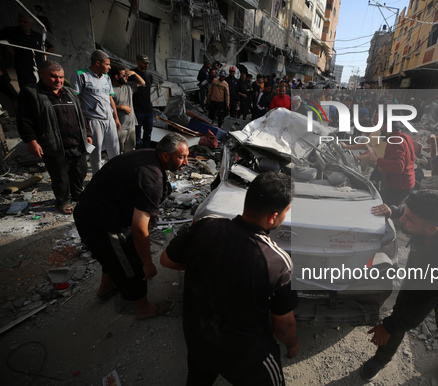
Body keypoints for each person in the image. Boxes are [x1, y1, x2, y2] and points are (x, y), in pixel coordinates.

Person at [160, 171, 299, 385]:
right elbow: (284, 326)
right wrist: (292, 344)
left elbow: (166, 261)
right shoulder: (277, 262)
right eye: (286, 211)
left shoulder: (205, 226)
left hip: (198, 339)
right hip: (246, 356)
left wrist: (205, 265)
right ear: (273, 217)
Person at [362, 190, 438, 385]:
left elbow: (418, 307)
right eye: (405, 214)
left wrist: (388, 326)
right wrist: (394, 210)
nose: (402, 220)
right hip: (424, 268)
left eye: (408, 219)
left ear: (431, 229)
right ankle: (381, 359)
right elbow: (413, 214)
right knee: (400, 307)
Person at [74, 133, 188, 320]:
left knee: (111, 256)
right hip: (100, 222)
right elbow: (138, 229)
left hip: (89, 211)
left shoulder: (150, 155)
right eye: (181, 157)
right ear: (166, 156)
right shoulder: (152, 178)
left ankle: (106, 287)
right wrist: (147, 263)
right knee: (130, 263)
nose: (187, 162)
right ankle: (143, 308)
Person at [17, 60, 91, 214]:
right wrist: (31, 141)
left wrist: (88, 134)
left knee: (79, 172)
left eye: (61, 77)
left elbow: (81, 115)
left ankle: (78, 195)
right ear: (42, 74)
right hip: (55, 144)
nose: (59, 80)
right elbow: (24, 119)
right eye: (54, 77)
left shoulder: (69, 92)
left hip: (77, 143)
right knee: (60, 176)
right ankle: (63, 201)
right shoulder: (32, 93)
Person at [71, 49, 121, 174]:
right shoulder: (81, 75)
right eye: (107, 64)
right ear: (98, 63)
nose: (109, 67)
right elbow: (75, 99)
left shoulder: (106, 78)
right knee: (96, 152)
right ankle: (97, 177)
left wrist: (116, 118)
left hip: (109, 119)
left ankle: (116, 174)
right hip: (93, 120)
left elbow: (110, 98)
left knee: (115, 150)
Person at [0, 13, 54, 89]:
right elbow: (2, 40)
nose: (22, 23)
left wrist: (44, 56)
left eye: (25, 22)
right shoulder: (13, 32)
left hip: (38, 68)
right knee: (27, 89)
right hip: (23, 68)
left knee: (41, 88)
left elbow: (51, 47)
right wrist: (10, 50)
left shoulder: (37, 36)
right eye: (20, 21)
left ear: (31, 24)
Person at [367, 123, 416, 206]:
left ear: (387, 126)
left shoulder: (395, 141)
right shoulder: (406, 137)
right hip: (408, 181)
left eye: (382, 126)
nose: (380, 129)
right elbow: (410, 160)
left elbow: (399, 166)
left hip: (398, 185)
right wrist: (384, 167)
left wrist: (377, 160)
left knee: (380, 208)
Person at [110, 64, 144, 153]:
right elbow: (107, 105)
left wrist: (134, 73)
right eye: (123, 75)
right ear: (116, 77)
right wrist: (121, 107)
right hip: (120, 126)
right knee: (119, 151)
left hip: (131, 125)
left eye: (126, 75)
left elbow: (142, 83)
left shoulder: (128, 86)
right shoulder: (111, 89)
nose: (126, 77)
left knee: (130, 151)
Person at [129, 54, 153, 148]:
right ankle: (138, 152)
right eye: (144, 63)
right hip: (137, 109)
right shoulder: (132, 74)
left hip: (148, 109)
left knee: (148, 133)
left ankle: (146, 150)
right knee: (137, 134)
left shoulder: (149, 75)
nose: (146, 65)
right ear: (138, 62)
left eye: (147, 63)